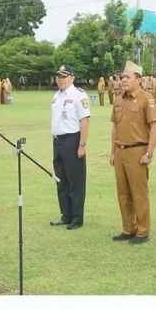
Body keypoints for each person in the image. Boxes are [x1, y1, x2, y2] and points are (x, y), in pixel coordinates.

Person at [110, 60, 156, 244]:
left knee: (139, 193)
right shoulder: (118, 99)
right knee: (122, 193)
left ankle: (143, 230)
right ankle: (128, 228)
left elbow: (154, 126)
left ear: (138, 79)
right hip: (121, 151)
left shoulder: (147, 99)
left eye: (127, 77)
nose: (123, 80)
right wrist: (113, 151)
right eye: (122, 77)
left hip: (138, 151)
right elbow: (115, 127)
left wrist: (150, 152)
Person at [49, 65, 90, 230]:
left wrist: (82, 145)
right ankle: (65, 215)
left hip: (73, 141)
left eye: (64, 77)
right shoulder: (56, 96)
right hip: (58, 142)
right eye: (59, 77)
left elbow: (85, 121)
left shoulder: (79, 95)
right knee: (61, 181)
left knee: (75, 181)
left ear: (72, 78)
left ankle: (76, 218)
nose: (61, 80)